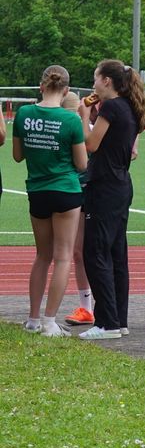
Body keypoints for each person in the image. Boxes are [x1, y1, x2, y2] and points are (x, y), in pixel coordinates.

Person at [71, 60, 145, 339]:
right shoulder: (128, 106)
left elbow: (91, 144)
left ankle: (107, 323)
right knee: (116, 255)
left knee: (96, 253)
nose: (93, 85)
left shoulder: (112, 107)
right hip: (120, 185)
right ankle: (118, 319)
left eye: (95, 78)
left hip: (104, 187)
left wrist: (83, 116)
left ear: (107, 81)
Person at [13, 65, 87, 337]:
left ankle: (33, 319)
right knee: (63, 256)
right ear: (66, 90)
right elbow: (82, 164)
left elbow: (18, 156)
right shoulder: (70, 120)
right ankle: (50, 322)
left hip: (37, 190)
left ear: (41, 86)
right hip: (65, 190)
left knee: (42, 256)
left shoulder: (23, 113)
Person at [61, 91, 94, 328]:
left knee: (90, 251)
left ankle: (99, 306)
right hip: (73, 193)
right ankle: (86, 307)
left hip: (92, 192)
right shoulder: (62, 127)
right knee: (77, 252)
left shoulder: (89, 128)